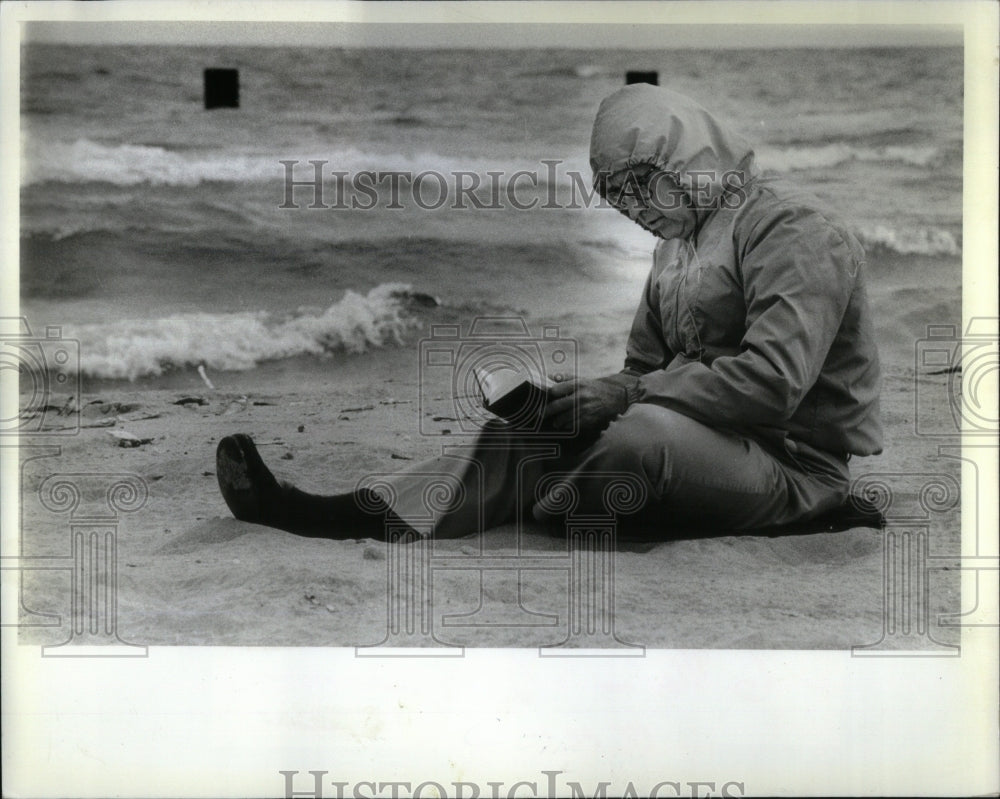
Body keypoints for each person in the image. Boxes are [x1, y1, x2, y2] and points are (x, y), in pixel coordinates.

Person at [216, 84, 882, 541]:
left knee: (633, 440)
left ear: (688, 159)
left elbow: (774, 380)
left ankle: (818, 516)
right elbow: (642, 368)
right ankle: (336, 514)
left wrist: (624, 397)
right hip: (699, 440)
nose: (634, 207)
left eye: (642, 183)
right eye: (617, 194)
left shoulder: (796, 228)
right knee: (525, 429)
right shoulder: (676, 250)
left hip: (793, 466)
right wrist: (582, 400)